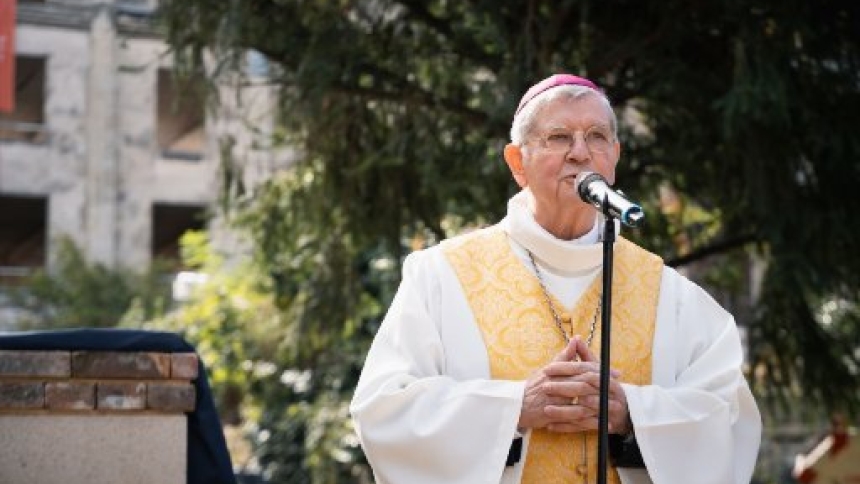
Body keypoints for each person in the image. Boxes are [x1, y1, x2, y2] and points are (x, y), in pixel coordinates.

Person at [349, 73, 761, 484]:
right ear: (517, 162)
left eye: (597, 136)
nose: (580, 152)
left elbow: (729, 417)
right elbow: (383, 410)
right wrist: (513, 407)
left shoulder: (671, 295)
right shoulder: (440, 277)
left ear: (614, 157)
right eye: (559, 137)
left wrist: (633, 413)